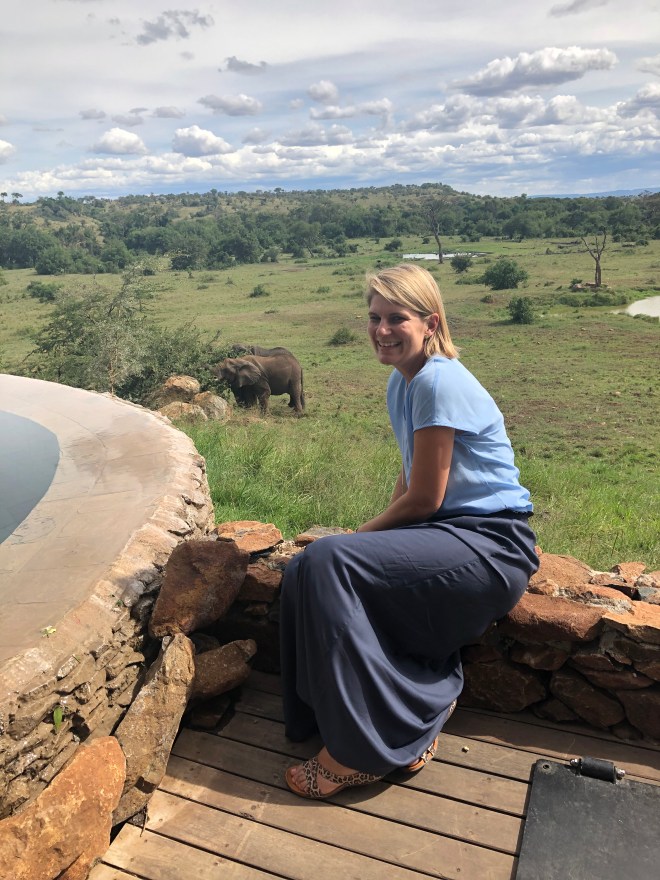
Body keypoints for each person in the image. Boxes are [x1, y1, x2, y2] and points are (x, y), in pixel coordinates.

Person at [281, 263, 539, 799]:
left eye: (396, 318)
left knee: (328, 559)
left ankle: (358, 754)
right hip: (450, 537)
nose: (381, 330)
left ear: (430, 323)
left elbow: (425, 500)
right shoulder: (405, 383)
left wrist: (354, 540)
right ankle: (383, 716)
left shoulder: (437, 381)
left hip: (491, 544)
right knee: (306, 566)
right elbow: (410, 480)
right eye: (374, 317)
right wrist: (363, 541)